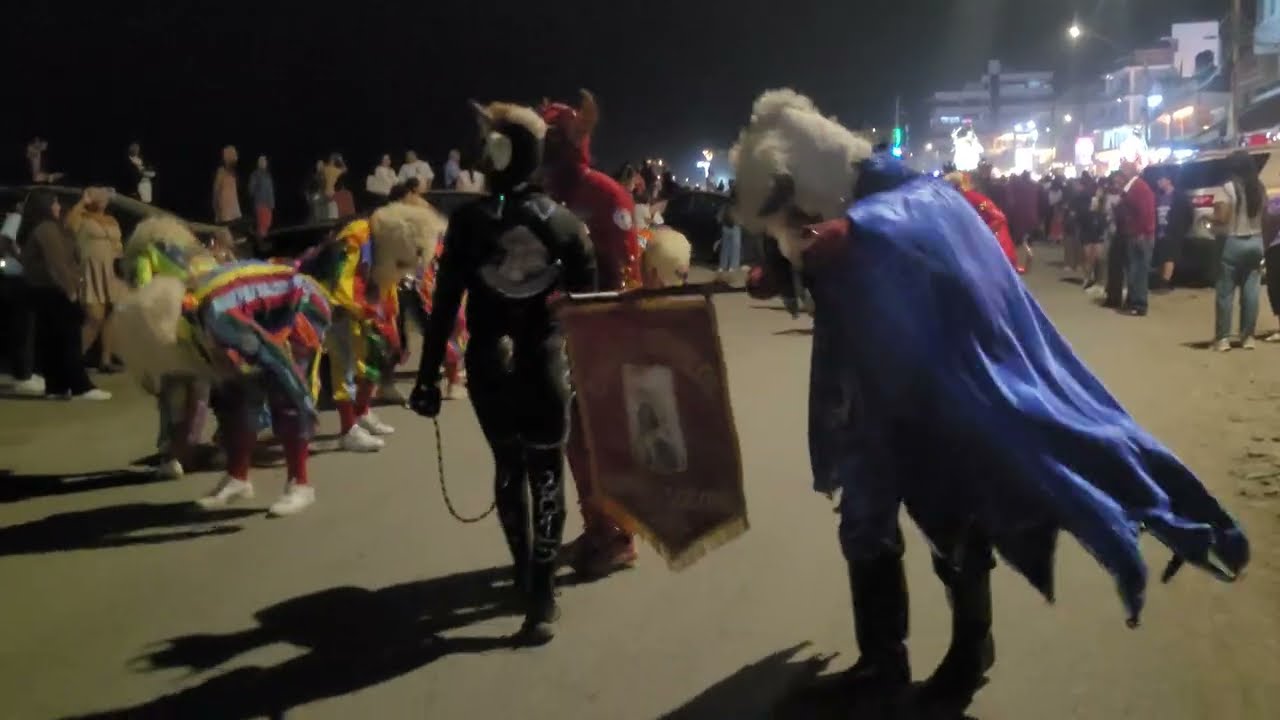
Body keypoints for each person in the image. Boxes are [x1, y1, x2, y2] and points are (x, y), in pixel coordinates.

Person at [732, 89, 1248, 714]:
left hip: (934, 397)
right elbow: (820, 266)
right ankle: (883, 659)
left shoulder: (915, 197)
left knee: (954, 528)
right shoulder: (841, 213)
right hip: (867, 403)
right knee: (864, 527)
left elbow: (913, 217)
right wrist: (782, 272)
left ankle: (972, 648)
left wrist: (854, 229)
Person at [410, 100, 597, 644]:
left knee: (509, 470)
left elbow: (443, 307)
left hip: (489, 365)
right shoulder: (566, 225)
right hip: (545, 365)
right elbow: (591, 316)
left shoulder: (468, 224)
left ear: (497, 153)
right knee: (545, 476)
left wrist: (426, 379)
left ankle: (523, 573)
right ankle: (541, 597)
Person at [112, 262, 332, 516]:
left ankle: (300, 484)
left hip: (301, 308)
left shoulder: (218, 317)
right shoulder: (191, 316)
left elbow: (277, 360)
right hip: (257, 316)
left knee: (282, 393)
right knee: (233, 395)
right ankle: (238, 478)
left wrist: (303, 403)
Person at [540, 90, 643, 575]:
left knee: (603, 438)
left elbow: (625, 272)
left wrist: (601, 320)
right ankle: (595, 527)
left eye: (550, 142)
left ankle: (620, 536)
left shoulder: (606, 193)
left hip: (603, 332)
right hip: (563, 335)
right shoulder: (546, 197)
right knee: (574, 439)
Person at [298, 202, 444, 453]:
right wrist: (362, 309)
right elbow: (343, 283)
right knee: (343, 365)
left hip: (361, 305)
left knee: (373, 358)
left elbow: (386, 278)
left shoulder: (383, 242)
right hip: (335, 306)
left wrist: (386, 314)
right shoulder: (357, 236)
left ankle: (361, 412)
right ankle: (348, 430)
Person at [122, 216, 223, 479]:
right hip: (203, 328)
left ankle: (173, 455)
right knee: (201, 391)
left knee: (172, 394)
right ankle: (190, 446)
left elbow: (143, 293)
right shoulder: (198, 254)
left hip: (170, 330)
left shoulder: (147, 254)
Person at [18, 193, 108, 400]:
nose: (59, 206)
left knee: (51, 341)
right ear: (46, 206)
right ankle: (80, 387)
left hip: (43, 291)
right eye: (55, 203)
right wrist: (71, 290)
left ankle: (56, 387)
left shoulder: (43, 228)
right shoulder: (47, 229)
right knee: (69, 339)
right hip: (55, 291)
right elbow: (56, 263)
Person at [1212, 151, 1266, 351]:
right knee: (1251, 292)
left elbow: (1223, 218)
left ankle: (1223, 339)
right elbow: (1266, 214)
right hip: (1256, 241)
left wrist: (1208, 219)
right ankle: (1248, 337)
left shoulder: (1226, 189)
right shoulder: (1259, 188)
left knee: (1225, 293)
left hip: (1233, 242)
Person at [67, 187, 125, 373]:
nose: (102, 197)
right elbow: (68, 226)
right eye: (96, 194)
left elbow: (118, 248)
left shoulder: (111, 220)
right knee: (94, 318)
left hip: (110, 272)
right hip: (90, 272)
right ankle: (71, 360)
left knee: (109, 317)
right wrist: (82, 201)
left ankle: (105, 360)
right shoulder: (81, 217)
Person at [945, 171, 1021, 273]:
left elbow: (999, 218)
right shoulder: (962, 199)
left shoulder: (973, 198)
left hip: (996, 250)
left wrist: (981, 233)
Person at [1106, 161, 1156, 316]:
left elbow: (1144, 213)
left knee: (1139, 271)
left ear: (1128, 173)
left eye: (1121, 173)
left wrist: (1141, 232)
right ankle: (1132, 301)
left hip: (1140, 236)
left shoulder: (1138, 188)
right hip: (1135, 235)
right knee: (1133, 271)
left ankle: (1139, 304)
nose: (1118, 178)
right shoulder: (1132, 188)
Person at [1152, 175, 1178, 292]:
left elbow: (1186, 213)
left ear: (1168, 180)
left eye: (1161, 179)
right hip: (1160, 231)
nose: (1158, 182)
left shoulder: (1177, 197)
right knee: (1162, 257)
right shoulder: (1159, 197)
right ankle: (1161, 280)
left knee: (1169, 257)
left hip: (1171, 231)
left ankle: (1165, 282)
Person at [213, 146, 242, 224]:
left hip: (234, 213)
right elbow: (216, 191)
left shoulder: (233, 173)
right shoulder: (221, 171)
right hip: (225, 214)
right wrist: (217, 211)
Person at [248, 155, 275, 237]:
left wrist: (272, 204)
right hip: (260, 204)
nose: (263, 163)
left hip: (269, 205)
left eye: (265, 161)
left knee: (267, 225)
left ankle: (263, 241)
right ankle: (260, 243)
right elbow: (251, 190)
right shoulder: (255, 174)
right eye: (261, 161)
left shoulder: (268, 175)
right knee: (262, 227)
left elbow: (270, 190)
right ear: (258, 163)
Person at [717, 204, 742, 277]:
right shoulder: (740, 204)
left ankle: (722, 267)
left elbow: (719, 217)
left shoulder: (726, 203)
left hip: (726, 226)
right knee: (735, 249)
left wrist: (720, 220)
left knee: (725, 248)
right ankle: (732, 268)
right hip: (735, 227)